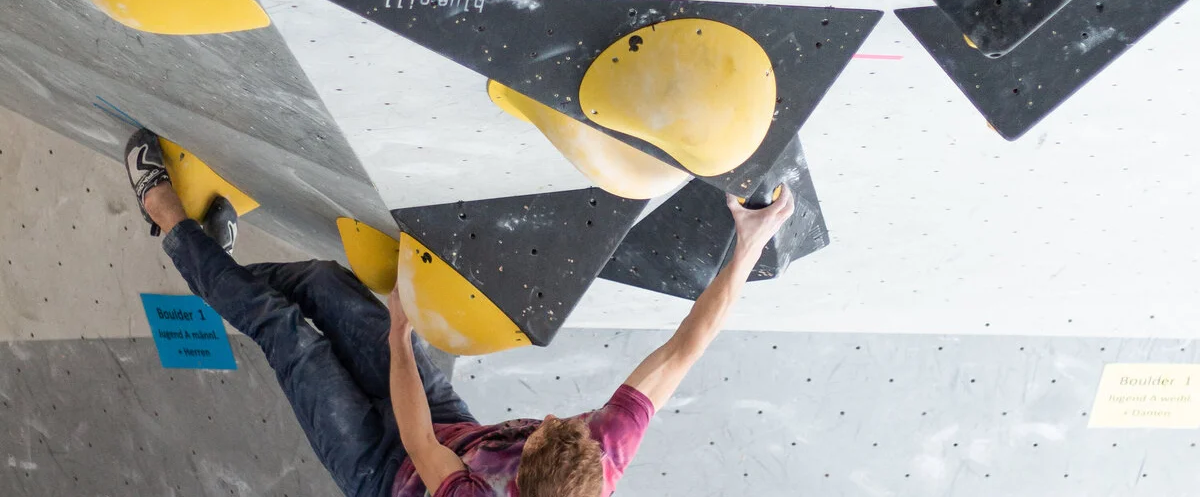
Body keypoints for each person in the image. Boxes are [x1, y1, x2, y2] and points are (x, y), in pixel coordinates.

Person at [124, 128, 796, 497]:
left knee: (288, 335)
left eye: (539, 435)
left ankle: (169, 220)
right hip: (451, 426)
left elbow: (416, 443)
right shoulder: (603, 447)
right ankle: (216, 276)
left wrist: (398, 336)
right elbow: (686, 348)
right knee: (326, 284)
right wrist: (745, 248)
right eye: (565, 425)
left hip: (380, 468)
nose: (553, 420)